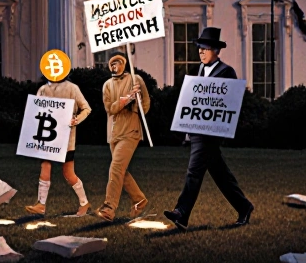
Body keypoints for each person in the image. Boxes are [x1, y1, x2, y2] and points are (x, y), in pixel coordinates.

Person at [163, 27, 255, 230]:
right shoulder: (198, 70)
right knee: (220, 174)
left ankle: (181, 212)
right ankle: (244, 206)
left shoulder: (226, 72)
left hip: (211, 133)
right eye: (199, 48)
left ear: (216, 50)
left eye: (205, 48)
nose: (201, 51)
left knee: (194, 171)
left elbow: (230, 103)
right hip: (197, 130)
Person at [25, 72, 93, 216]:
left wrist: (77, 119)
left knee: (68, 172)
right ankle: (41, 204)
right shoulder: (43, 89)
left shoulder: (72, 88)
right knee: (45, 165)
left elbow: (86, 108)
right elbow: (36, 111)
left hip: (66, 138)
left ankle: (84, 202)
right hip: (47, 137)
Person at [96, 53, 149, 221]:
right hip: (113, 134)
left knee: (116, 168)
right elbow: (110, 108)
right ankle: (139, 200)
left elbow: (145, 105)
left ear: (124, 63)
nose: (115, 66)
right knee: (121, 170)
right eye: (112, 63)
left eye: (118, 63)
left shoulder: (136, 80)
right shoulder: (107, 85)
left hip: (131, 131)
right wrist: (126, 99)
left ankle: (109, 207)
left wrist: (137, 100)